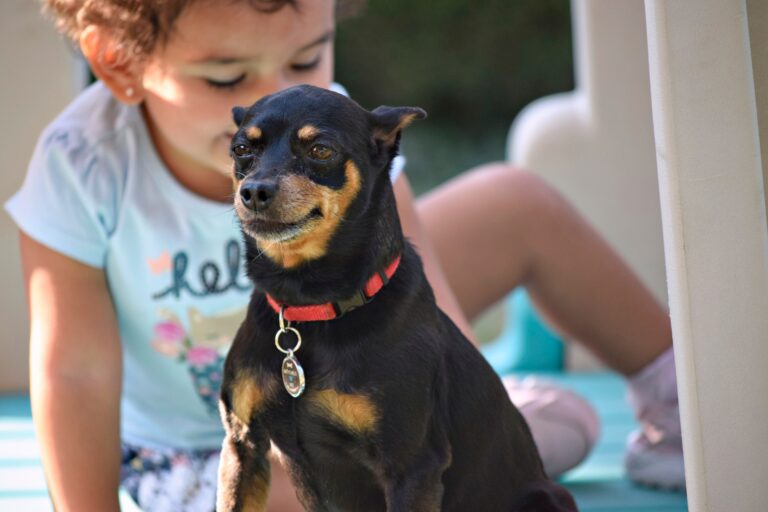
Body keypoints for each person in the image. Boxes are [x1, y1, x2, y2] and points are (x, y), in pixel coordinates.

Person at [6, 0, 682, 510]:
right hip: (192, 442)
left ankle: (682, 401)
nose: (274, 87)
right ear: (120, 64)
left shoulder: (338, 126)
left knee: (516, 204)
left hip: (352, 336)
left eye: (306, 60)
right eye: (227, 76)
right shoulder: (83, 163)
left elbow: (424, 302)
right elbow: (76, 371)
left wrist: (465, 423)